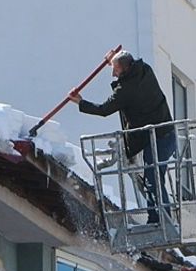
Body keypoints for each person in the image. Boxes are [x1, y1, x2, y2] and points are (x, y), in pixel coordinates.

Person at [69, 49, 175, 223]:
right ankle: (158, 217)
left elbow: (104, 110)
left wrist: (80, 102)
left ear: (125, 70)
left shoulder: (126, 90)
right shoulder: (145, 70)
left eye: (115, 70)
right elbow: (126, 60)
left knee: (153, 179)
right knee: (153, 178)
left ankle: (161, 219)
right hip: (166, 135)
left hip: (158, 139)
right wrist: (114, 60)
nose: (112, 74)